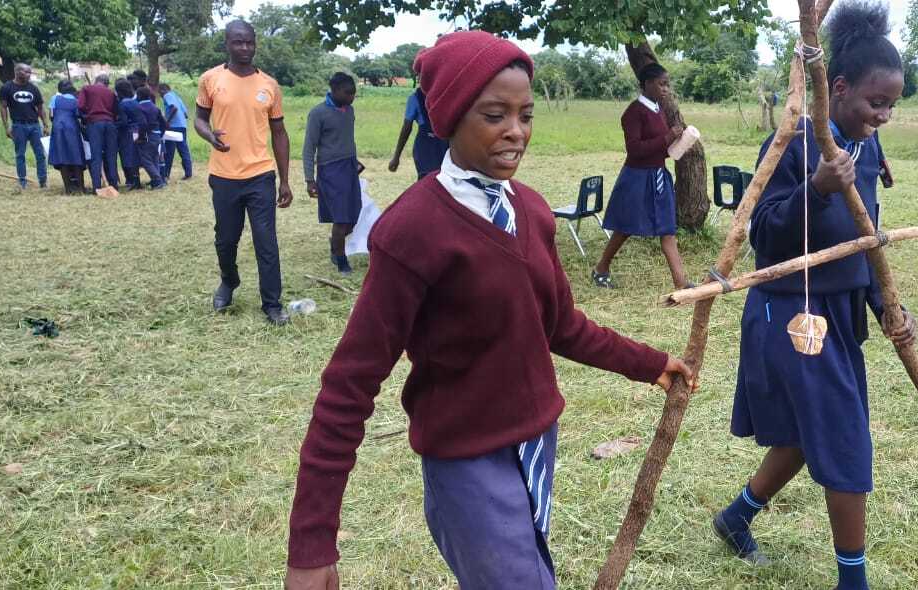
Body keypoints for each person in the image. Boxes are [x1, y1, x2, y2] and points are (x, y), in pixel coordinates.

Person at [283, 31, 695, 590]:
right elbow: (349, 386)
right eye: (495, 114)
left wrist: (650, 362)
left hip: (536, 445)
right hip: (467, 463)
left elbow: (561, 325)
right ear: (451, 117)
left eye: (526, 114)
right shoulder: (412, 232)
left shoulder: (529, 210)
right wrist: (312, 543)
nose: (516, 132)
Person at [710, 4, 915, 589]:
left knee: (808, 433)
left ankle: (736, 517)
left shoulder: (866, 148)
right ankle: (854, 582)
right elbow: (762, 234)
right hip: (791, 311)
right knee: (844, 436)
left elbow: (865, 238)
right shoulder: (793, 142)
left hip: (840, 312)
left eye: (892, 105)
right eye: (876, 102)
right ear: (839, 87)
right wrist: (816, 189)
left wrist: (886, 305)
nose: (884, 115)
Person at [194, 20, 295, 326]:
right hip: (223, 176)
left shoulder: (269, 85)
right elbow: (199, 119)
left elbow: (279, 133)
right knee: (226, 239)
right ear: (227, 43)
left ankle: (272, 304)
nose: (245, 48)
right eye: (238, 42)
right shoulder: (211, 79)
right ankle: (229, 281)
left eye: (249, 42)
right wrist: (210, 136)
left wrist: (285, 180)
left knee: (266, 241)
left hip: (260, 175)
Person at [592, 63, 691, 290]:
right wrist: (667, 138)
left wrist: (679, 142)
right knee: (625, 227)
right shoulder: (633, 113)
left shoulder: (659, 110)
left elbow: (660, 150)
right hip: (637, 178)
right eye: (661, 84)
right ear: (647, 84)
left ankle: (681, 283)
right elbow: (635, 150)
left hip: (658, 176)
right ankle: (601, 269)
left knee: (668, 229)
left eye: (668, 85)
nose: (666, 89)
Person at [303, 72, 361, 275]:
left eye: (353, 93)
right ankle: (341, 259)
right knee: (341, 216)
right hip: (330, 170)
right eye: (348, 93)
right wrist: (310, 179)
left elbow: (346, 139)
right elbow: (309, 147)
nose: (352, 97)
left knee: (354, 214)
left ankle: (335, 243)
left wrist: (355, 160)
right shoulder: (318, 113)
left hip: (349, 167)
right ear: (334, 90)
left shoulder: (350, 110)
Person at [0, 63, 49, 189]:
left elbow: (40, 108)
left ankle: (42, 181)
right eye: (26, 72)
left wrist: (46, 125)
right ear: (17, 72)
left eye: (30, 72)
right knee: (20, 154)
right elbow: (3, 107)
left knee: (40, 154)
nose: (29, 75)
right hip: (18, 125)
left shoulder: (33, 88)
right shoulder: (7, 87)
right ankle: (22, 181)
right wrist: (7, 126)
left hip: (35, 125)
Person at [388, 82, 448, 178]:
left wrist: (396, 157)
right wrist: (396, 156)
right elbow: (406, 128)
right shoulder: (445, 95)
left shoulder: (415, 98)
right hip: (435, 145)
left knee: (428, 180)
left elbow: (406, 128)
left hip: (430, 146)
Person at [77, 74, 120, 190]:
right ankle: (114, 184)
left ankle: (97, 186)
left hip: (95, 123)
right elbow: (116, 110)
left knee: (96, 156)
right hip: (110, 123)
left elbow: (80, 106)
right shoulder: (111, 93)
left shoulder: (86, 89)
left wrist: (88, 114)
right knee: (111, 155)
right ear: (107, 83)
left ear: (96, 81)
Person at [47, 80, 88, 195]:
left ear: (60, 90)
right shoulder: (76, 101)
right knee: (76, 155)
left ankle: (68, 188)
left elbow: (51, 115)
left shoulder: (55, 98)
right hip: (72, 128)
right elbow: (79, 115)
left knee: (62, 156)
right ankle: (81, 188)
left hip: (58, 128)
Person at [158, 82, 193, 180]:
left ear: (163, 90)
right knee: (183, 149)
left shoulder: (167, 95)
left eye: (159, 93)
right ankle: (188, 172)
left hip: (173, 126)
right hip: (182, 126)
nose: (160, 95)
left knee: (169, 151)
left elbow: (174, 108)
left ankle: (165, 174)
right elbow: (185, 114)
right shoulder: (176, 96)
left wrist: (167, 121)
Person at [135, 85, 168, 190]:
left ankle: (157, 181)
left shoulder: (139, 108)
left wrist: (141, 137)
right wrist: (160, 134)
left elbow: (143, 124)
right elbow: (165, 124)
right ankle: (157, 181)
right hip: (157, 135)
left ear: (138, 96)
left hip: (148, 136)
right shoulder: (155, 107)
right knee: (154, 158)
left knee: (146, 160)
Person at [115, 79, 146, 190]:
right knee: (136, 156)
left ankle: (133, 181)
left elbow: (123, 122)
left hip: (128, 132)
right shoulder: (134, 101)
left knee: (128, 156)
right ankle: (136, 180)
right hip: (138, 130)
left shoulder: (123, 104)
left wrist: (114, 125)